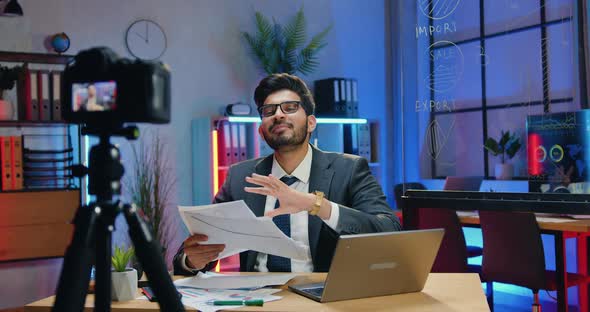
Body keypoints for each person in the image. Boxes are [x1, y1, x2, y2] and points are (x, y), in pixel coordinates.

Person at [173, 73, 401, 275]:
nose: (278, 115)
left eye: (290, 108)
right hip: (257, 298)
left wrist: (315, 204)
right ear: (262, 132)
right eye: (269, 111)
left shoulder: (349, 170)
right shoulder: (241, 176)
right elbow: (196, 248)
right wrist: (192, 260)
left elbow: (389, 229)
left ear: (311, 123)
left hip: (320, 299)